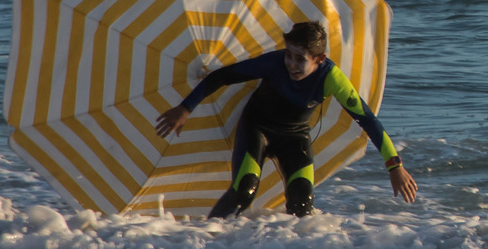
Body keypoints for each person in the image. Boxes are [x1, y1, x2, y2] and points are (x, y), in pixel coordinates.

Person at [154, 21, 418, 218]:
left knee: (302, 205)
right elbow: (221, 76)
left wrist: (395, 167)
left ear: (319, 59)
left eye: (299, 58)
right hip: (257, 129)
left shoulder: (332, 79)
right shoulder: (274, 63)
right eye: (288, 54)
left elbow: (368, 120)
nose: (290, 63)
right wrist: (185, 108)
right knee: (244, 192)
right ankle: (207, 246)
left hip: (294, 137)